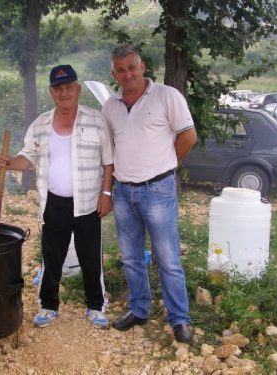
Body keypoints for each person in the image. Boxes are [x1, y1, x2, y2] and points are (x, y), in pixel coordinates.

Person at [0, 64, 114, 330]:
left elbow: (108, 162)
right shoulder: (40, 125)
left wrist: (106, 193)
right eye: (58, 88)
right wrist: (10, 162)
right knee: (51, 257)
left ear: (77, 89)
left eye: (68, 87)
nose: (64, 93)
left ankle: (95, 307)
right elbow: (28, 158)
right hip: (54, 203)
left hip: (87, 202)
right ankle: (49, 306)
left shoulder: (96, 120)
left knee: (90, 258)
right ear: (51, 92)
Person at [101, 45, 198, 342]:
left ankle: (179, 318)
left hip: (158, 189)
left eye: (132, 67)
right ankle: (139, 309)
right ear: (114, 73)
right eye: (120, 69)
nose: (127, 74)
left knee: (168, 258)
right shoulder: (110, 106)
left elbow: (188, 136)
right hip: (122, 192)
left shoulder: (167, 96)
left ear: (142, 67)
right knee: (131, 258)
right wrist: (108, 189)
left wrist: (166, 166)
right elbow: (110, 152)